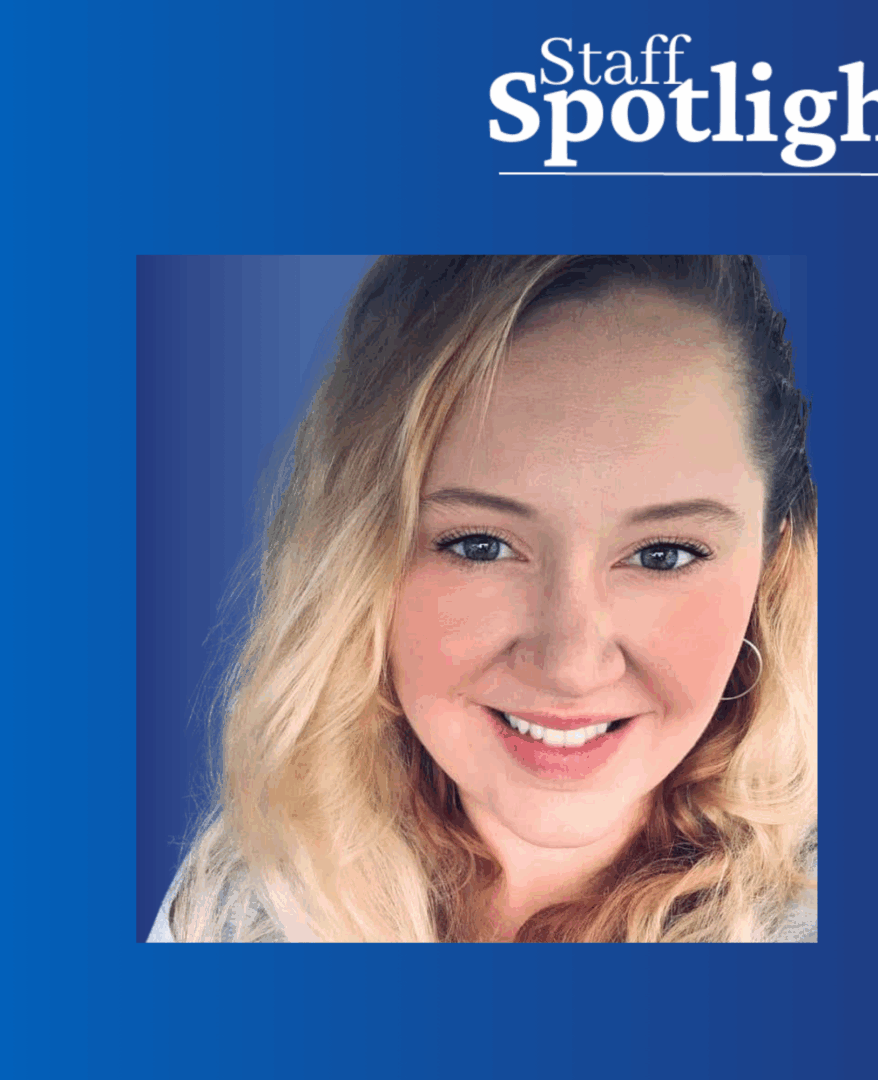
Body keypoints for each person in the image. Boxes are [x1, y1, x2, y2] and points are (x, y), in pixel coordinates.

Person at [148, 255, 817, 943]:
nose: (570, 663)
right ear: (357, 562)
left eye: (663, 555)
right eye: (479, 546)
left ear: (772, 567)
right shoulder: (236, 902)